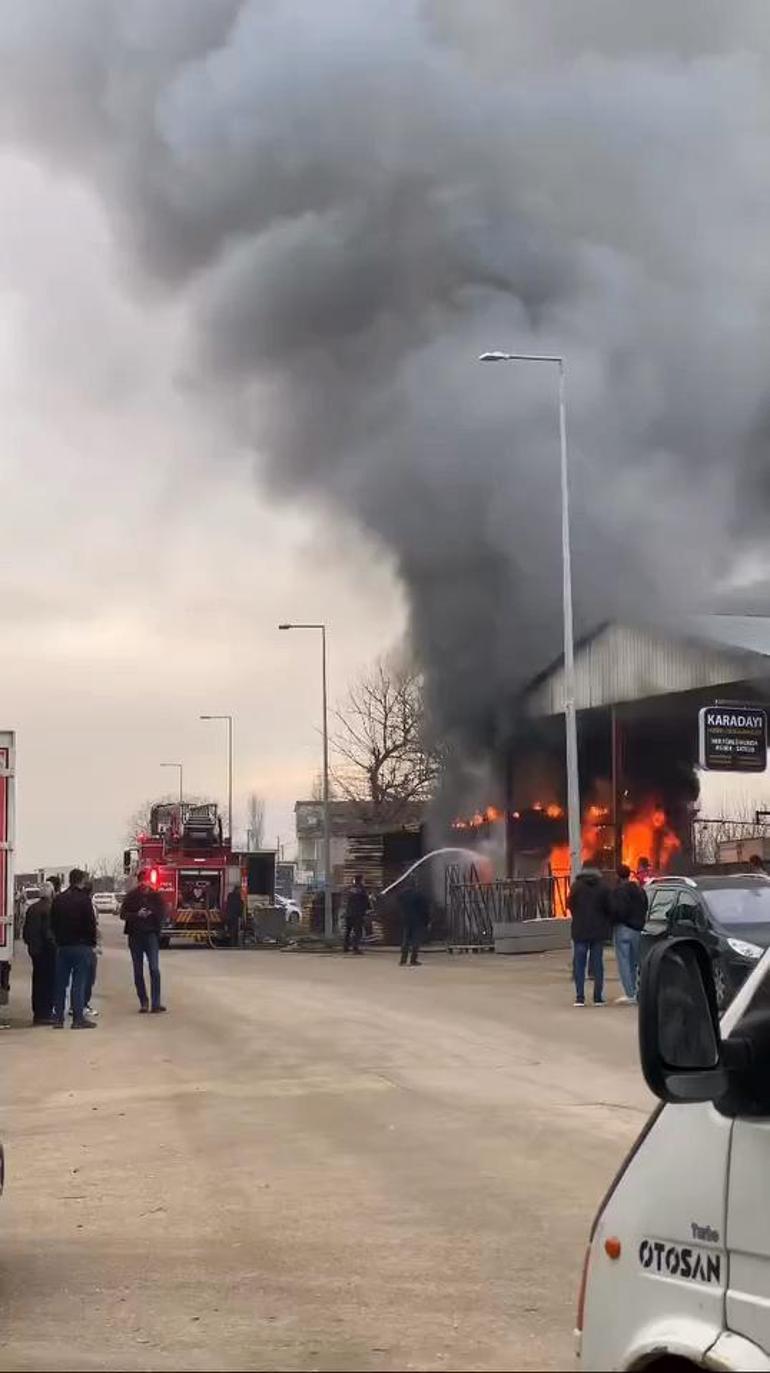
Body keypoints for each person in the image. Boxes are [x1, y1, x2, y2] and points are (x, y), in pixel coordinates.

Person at [51, 869, 98, 1029]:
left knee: (60, 984)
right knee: (79, 983)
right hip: (81, 946)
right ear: (81, 880)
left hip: (63, 947)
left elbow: (53, 923)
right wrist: (91, 943)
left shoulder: (59, 899)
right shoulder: (84, 900)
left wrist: (58, 940)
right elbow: (90, 924)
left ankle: (58, 1018)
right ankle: (78, 1019)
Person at [120, 872, 167, 1013]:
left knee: (154, 969)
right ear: (139, 882)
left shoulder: (156, 896)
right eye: (143, 882)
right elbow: (123, 914)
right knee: (138, 970)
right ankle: (144, 1002)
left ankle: (156, 1003)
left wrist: (153, 913)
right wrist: (136, 915)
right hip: (135, 936)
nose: (146, 885)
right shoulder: (131, 896)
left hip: (151, 935)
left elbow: (162, 913)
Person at [567, 866, 612, 1007]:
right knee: (597, 963)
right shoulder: (603, 887)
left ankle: (580, 997)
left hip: (580, 930)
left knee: (579, 964)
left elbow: (570, 904)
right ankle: (598, 997)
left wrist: (578, 916)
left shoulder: (576, 887)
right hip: (598, 931)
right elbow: (609, 907)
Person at [610, 864, 648, 1004]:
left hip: (623, 928)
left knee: (624, 962)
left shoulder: (618, 891)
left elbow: (617, 910)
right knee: (636, 962)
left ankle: (630, 993)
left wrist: (613, 921)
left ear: (618, 876)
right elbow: (646, 906)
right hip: (637, 929)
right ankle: (639, 991)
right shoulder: (639, 890)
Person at [23, 881, 57, 1024]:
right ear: (51, 893)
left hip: (35, 951)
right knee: (49, 982)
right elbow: (48, 933)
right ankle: (46, 1014)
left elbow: (25, 931)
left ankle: (38, 1013)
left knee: (37, 981)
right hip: (47, 951)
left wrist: (31, 944)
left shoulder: (31, 908)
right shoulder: (50, 909)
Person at [399, 881, 430, 967]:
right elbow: (424, 910)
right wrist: (426, 921)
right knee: (416, 941)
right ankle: (413, 960)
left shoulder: (402, 895)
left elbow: (400, 907)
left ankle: (403, 960)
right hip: (418, 921)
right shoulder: (419, 895)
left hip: (406, 920)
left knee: (406, 940)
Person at [343, 874, 370, 955]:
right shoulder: (362, 890)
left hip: (349, 913)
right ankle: (355, 948)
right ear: (361, 880)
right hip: (358, 914)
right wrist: (368, 909)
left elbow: (346, 900)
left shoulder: (350, 889)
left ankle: (345, 947)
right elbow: (366, 901)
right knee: (357, 931)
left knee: (348, 931)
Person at [225, 883, 244, 947]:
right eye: (240, 890)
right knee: (234, 930)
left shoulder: (230, 895)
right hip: (234, 916)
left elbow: (227, 905)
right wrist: (241, 915)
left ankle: (230, 942)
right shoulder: (238, 897)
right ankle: (233, 943)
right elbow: (239, 907)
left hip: (229, 915)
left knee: (230, 929)